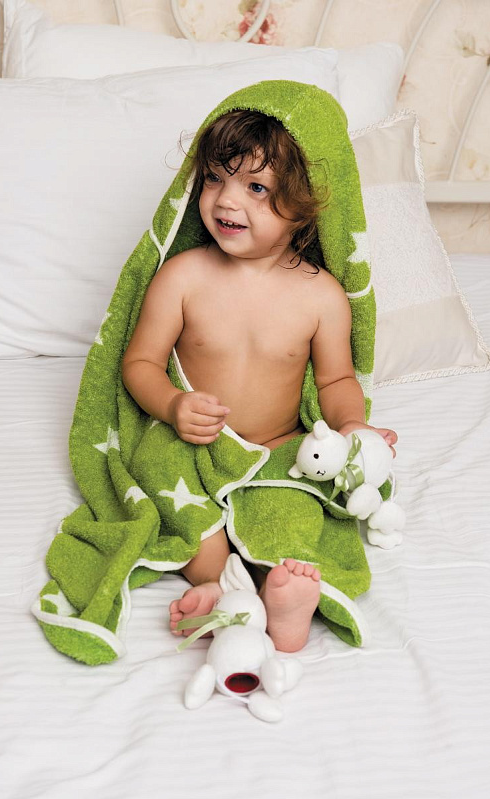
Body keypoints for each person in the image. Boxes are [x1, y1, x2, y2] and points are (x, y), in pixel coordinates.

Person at [121, 109, 397, 653]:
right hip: (191, 448)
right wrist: (173, 405)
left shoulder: (322, 296)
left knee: (290, 515)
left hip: (276, 449)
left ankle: (281, 594)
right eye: (214, 178)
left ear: (304, 203)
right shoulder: (183, 277)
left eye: (256, 187)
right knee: (185, 509)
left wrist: (352, 426)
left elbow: (337, 379)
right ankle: (221, 585)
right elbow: (139, 364)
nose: (227, 200)